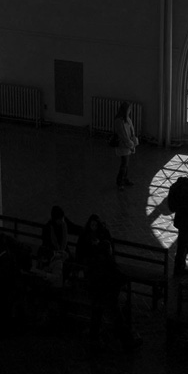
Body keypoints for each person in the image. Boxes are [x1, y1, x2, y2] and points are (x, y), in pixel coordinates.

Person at [76, 214, 140, 353]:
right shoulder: (107, 262)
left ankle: (94, 342)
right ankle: (127, 342)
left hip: (98, 293)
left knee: (97, 317)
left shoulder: (96, 262)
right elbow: (116, 275)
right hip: (108, 295)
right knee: (117, 319)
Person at [113, 101, 139, 190]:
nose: (130, 111)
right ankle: (120, 181)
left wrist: (132, 141)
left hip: (128, 144)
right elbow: (123, 135)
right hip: (123, 145)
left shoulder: (127, 119)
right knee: (124, 164)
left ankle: (124, 179)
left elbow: (131, 131)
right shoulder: (119, 121)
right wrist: (130, 144)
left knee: (126, 164)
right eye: (129, 109)